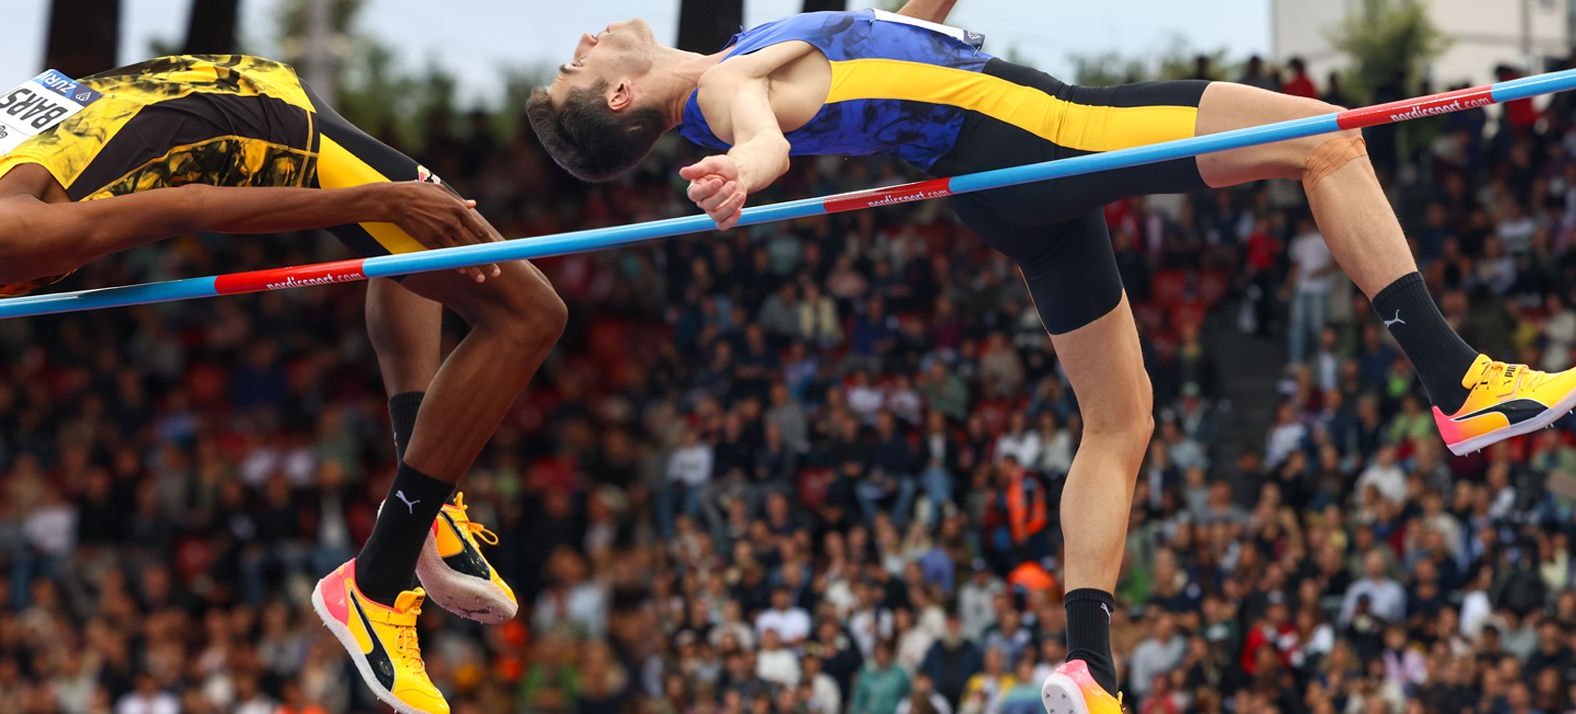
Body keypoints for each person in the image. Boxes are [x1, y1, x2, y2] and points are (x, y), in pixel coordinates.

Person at [522, 2, 1576, 711]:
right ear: (621, 98)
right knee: (1329, 136)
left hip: (997, 189)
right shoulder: (721, 91)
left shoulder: (744, 48)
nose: (581, 38)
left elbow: (900, 29)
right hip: (1034, 136)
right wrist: (742, 171)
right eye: (576, 66)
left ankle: (1090, 668)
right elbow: (762, 131)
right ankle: (1459, 383)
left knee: (1119, 420)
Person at [0, 55, 566, 713]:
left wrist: (389, 207)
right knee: (527, 314)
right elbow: (191, 208)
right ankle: (376, 581)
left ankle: (428, 515)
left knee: (409, 254)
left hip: (226, 81)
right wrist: (381, 201)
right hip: (260, 127)